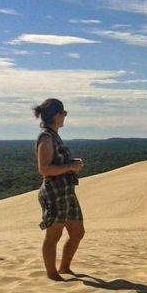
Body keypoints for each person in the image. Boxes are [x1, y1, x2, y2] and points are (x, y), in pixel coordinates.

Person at [33, 98, 85, 281]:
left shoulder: (53, 135)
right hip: (54, 192)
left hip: (67, 191)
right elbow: (44, 169)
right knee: (53, 235)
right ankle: (52, 274)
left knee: (78, 232)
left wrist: (71, 166)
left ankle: (64, 268)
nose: (65, 116)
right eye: (64, 113)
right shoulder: (46, 138)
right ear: (56, 115)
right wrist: (70, 166)